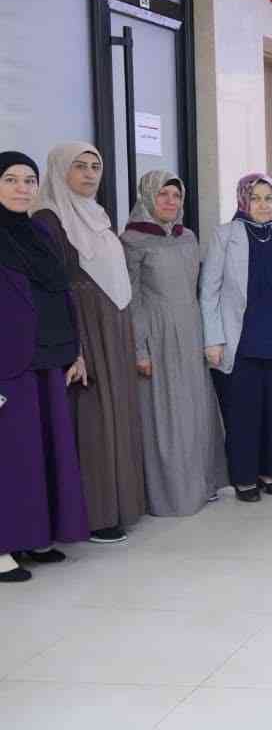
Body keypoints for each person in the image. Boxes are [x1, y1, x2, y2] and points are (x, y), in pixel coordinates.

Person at [31, 142, 145, 542]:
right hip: (82, 327)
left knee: (117, 411)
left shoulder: (98, 215)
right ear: (60, 171)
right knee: (92, 416)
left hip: (112, 324)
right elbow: (54, 286)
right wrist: (74, 345)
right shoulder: (48, 218)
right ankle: (96, 513)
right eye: (79, 166)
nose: (89, 174)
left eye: (95, 166)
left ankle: (122, 504)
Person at [0, 151, 90, 583]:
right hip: (8, 363)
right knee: (11, 458)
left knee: (41, 454)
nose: (22, 188)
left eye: (29, 180)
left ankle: (34, 537)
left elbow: (60, 294)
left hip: (48, 358)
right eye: (11, 179)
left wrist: (76, 351)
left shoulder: (38, 232)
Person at [122, 170, 227, 515]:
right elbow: (132, 299)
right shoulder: (133, 240)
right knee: (168, 414)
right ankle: (171, 495)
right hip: (159, 335)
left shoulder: (188, 237)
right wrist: (140, 348)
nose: (170, 201)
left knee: (196, 411)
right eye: (162, 194)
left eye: (176, 195)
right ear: (147, 197)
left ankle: (202, 484)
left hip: (191, 331)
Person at [200, 174, 272, 502]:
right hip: (240, 340)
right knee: (244, 414)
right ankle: (244, 477)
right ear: (243, 200)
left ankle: (269, 471)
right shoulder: (225, 235)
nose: (263, 205)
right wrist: (213, 339)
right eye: (255, 198)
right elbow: (209, 291)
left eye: (269, 198)